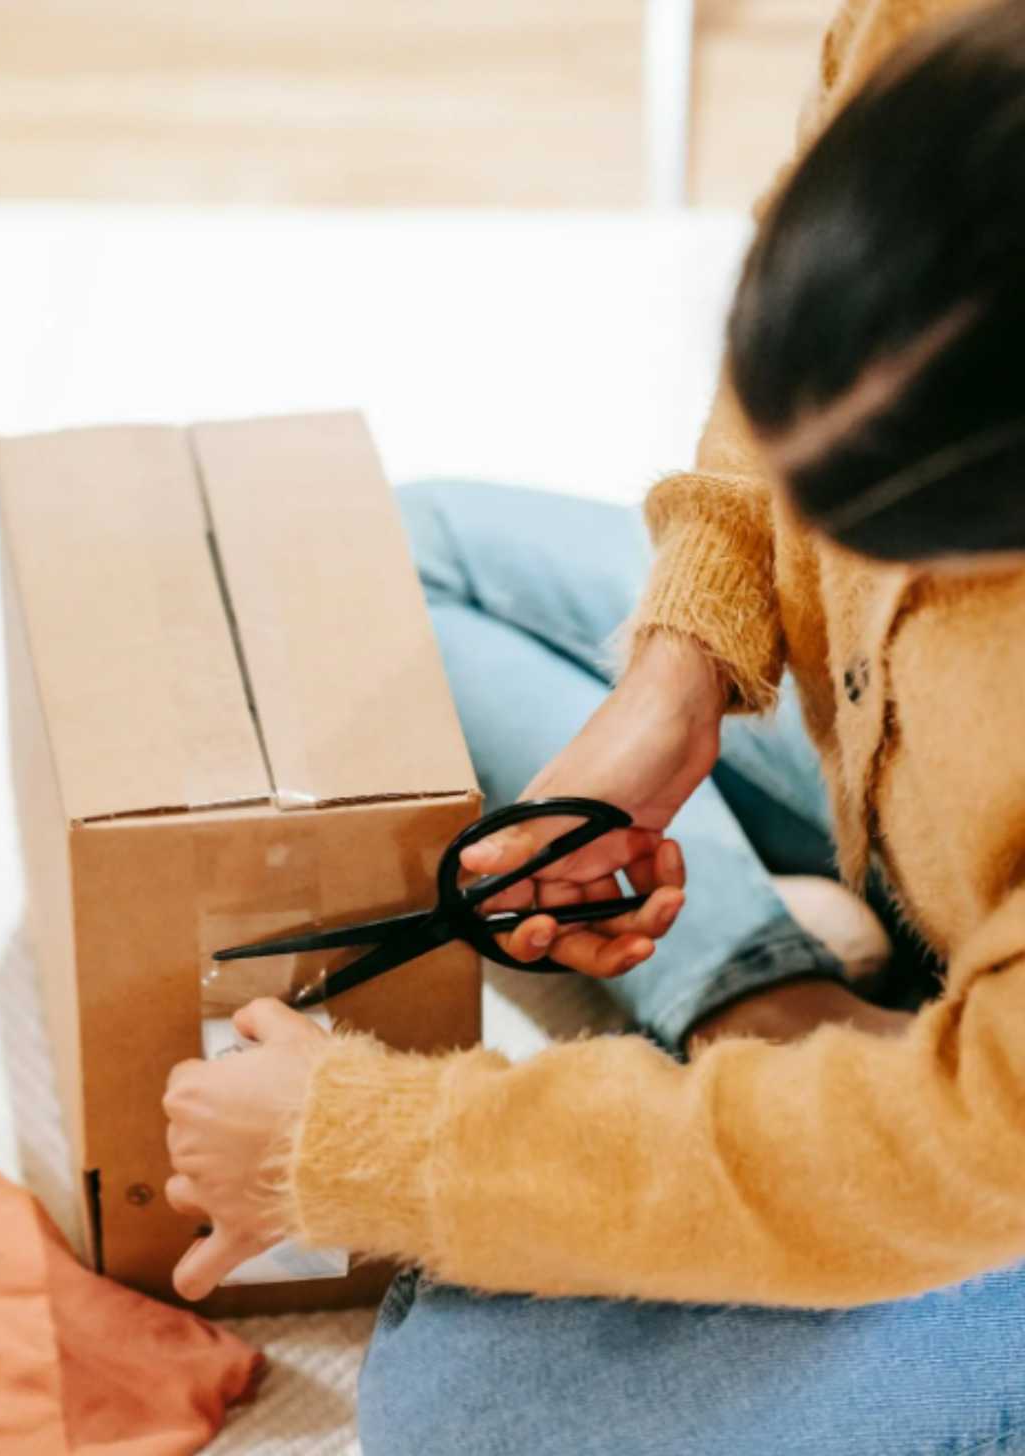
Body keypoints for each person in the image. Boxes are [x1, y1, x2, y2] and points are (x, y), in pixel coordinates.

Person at [163, 0, 1025, 1450]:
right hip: (939, 841)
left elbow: (951, 1157)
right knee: (393, 573)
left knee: (466, 1412)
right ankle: (774, 998)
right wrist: (683, 671)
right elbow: (800, 355)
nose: (835, 549)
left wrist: (362, 1151)